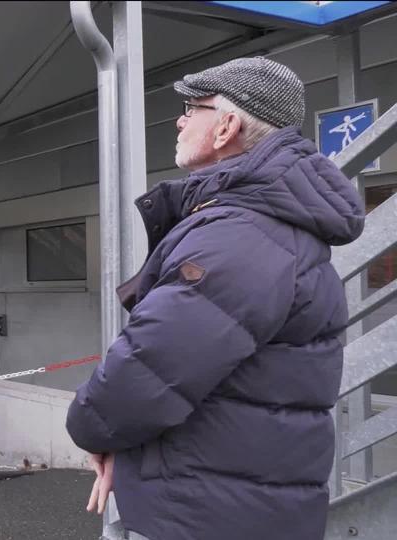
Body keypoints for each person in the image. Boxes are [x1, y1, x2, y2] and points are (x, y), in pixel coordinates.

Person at [66, 57, 365, 540]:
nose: (181, 120)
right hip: (234, 505)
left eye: (191, 107)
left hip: (201, 516)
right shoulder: (264, 222)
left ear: (227, 126)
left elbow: (150, 367)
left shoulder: (241, 234)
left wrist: (95, 429)